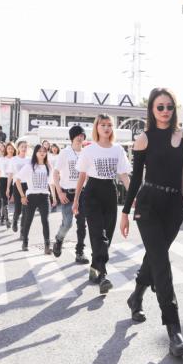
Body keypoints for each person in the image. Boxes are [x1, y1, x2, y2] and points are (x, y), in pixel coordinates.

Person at [121, 88, 183, 357]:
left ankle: (136, 295)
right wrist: (125, 212)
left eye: (169, 106)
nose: (165, 111)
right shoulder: (144, 139)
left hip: (174, 206)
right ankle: (174, 332)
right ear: (152, 110)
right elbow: (135, 180)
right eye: (160, 107)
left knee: (155, 256)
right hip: (148, 205)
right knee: (161, 262)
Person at [73, 114, 131, 294]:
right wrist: (76, 200)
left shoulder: (118, 150)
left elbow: (123, 175)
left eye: (109, 125)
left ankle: (95, 266)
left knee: (108, 235)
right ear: (96, 128)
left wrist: (133, 196)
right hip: (92, 193)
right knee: (98, 234)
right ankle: (103, 276)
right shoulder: (88, 150)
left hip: (110, 192)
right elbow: (82, 176)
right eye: (102, 125)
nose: (106, 128)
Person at [52, 126, 90, 264]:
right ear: (72, 137)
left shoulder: (86, 153)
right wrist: (59, 192)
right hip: (67, 193)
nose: (80, 137)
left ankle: (79, 252)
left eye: (82, 135)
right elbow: (55, 173)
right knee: (67, 223)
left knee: (82, 224)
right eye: (77, 135)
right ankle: (59, 239)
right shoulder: (65, 152)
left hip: (83, 194)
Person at [15, 144, 57, 254]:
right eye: (40, 151)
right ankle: (25, 242)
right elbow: (17, 180)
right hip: (31, 197)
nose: (42, 153)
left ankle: (47, 246)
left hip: (44, 197)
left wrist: (54, 197)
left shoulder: (48, 166)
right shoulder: (30, 166)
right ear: (35, 153)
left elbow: (51, 183)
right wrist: (22, 196)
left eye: (44, 151)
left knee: (45, 221)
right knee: (28, 220)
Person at [9, 140, 30, 235]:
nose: (24, 148)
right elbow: (11, 174)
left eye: (25, 147)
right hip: (17, 185)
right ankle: (15, 220)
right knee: (18, 209)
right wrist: (8, 187)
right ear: (18, 148)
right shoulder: (14, 159)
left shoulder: (29, 160)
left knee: (26, 209)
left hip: (28, 185)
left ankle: (22, 230)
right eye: (22, 147)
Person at [0, 142, 16, 228]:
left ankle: (3, 218)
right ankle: (7, 219)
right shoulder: (2, 159)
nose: (10, 150)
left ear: (14, 150)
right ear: (6, 149)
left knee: (7, 200)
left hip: (12, 181)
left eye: (12, 149)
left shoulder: (15, 159)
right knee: (5, 199)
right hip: (3, 180)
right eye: (8, 148)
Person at [48, 143, 61, 213]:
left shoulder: (60, 155)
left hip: (58, 174)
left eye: (55, 147)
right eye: (53, 147)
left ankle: (61, 203)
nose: (54, 149)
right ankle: (54, 203)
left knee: (59, 190)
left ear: (57, 148)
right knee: (52, 192)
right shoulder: (49, 155)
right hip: (51, 174)